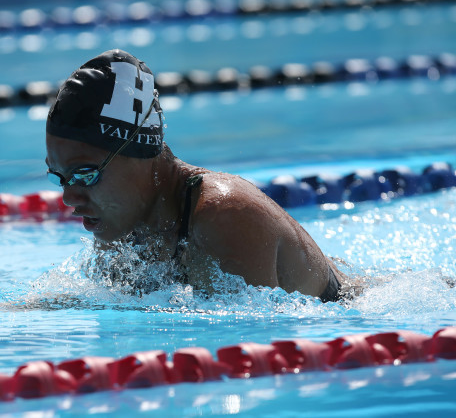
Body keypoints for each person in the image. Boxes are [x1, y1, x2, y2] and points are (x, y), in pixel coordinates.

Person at [45, 49, 348, 302]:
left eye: (84, 175)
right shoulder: (118, 228)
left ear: (139, 156)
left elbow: (248, 345)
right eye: (59, 177)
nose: (69, 197)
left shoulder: (226, 216)